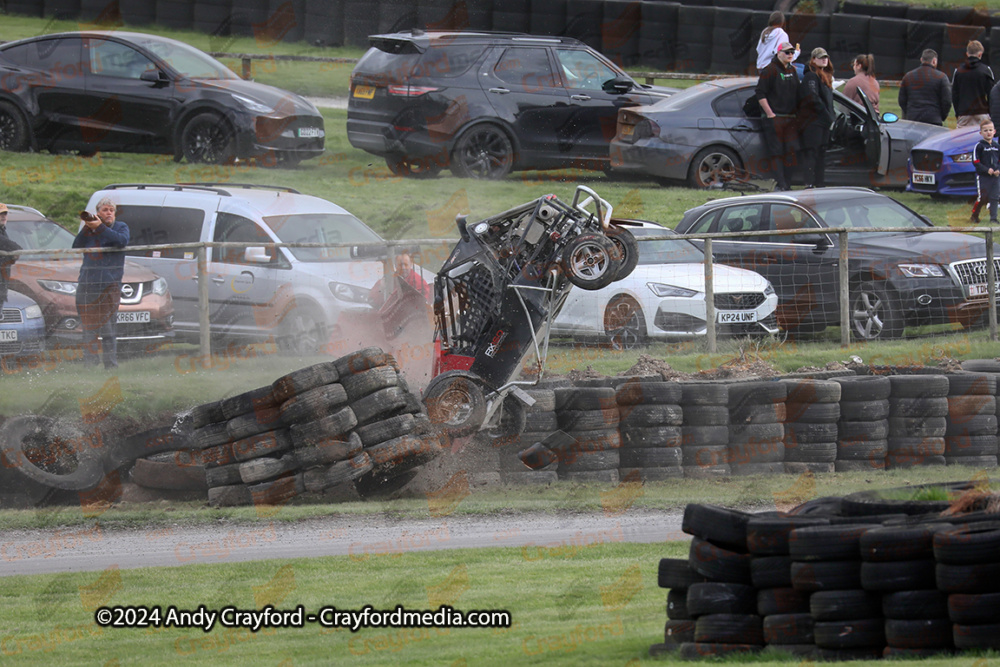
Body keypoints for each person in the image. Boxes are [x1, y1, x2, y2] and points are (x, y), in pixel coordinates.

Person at [73, 197, 129, 369]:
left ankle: (110, 365)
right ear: (98, 213)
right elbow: (76, 246)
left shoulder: (121, 227)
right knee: (89, 327)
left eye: (111, 210)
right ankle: (89, 364)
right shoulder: (91, 230)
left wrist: (101, 227)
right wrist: (88, 228)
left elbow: (121, 241)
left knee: (108, 328)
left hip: (109, 286)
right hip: (87, 284)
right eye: (105, 210)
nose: (109, 213)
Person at [756, 41, 801, 191]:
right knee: (777, 152)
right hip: (775, 117)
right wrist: (770, 114)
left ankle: (787, 182)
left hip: (790, 118)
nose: (790, 55)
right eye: (787, 52)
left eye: (792, 53)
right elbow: (760, 93)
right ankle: (781, 184)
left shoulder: (793, 70)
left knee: (792, 151)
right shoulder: (769, 70)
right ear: (778, 53)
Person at [798, 48, 835, 188]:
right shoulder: (811, 76)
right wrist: (828, 115)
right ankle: (809, 183)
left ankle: (819, 183)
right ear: (813, 59)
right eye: (820, 57)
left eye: (825, 57)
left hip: (823, 122)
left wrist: (831, 116)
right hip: (813, 123)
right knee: (811, 153)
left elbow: (827, 101)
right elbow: (813, 99)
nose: (824, 59)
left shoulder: (825, 76)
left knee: (821, 154)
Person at [898, 49, 951, 125]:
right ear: (934, 61)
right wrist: (941, 116)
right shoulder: (942, 77)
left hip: (913, 119)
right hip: (933, 119)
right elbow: (947, 101)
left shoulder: (908, 76)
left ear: (921, 59)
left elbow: (902, 100)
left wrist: (910, 112)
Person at [952, 40, 994, 128]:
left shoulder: (958, 71)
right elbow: (991, 94)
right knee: (983, 139)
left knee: (962, 140)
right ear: (980, 54)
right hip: (982, 111)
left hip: (964, 112)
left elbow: (955, 95)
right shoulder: (986, 70)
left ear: (967, 54)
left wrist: (958, 113)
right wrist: (990, 113)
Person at [971, 120, 1000, 224]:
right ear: (981, 133)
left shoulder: (997, 146)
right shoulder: (979, 146)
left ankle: (993, 218)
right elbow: (975, 161)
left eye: (990, 130)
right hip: (983, 177)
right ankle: (974, 215)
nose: (988, 132)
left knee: (995, 197)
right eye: (986, 130)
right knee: (982, 198)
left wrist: (998, 170)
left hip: (995, 177)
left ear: (994, 131)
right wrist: (986, 170)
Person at [0, 203, 22, 310]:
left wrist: (12, 255)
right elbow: (6, 244)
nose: (3, 216)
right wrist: (17, 250)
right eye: (0, 214)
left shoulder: (3, 231)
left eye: (5, 213)